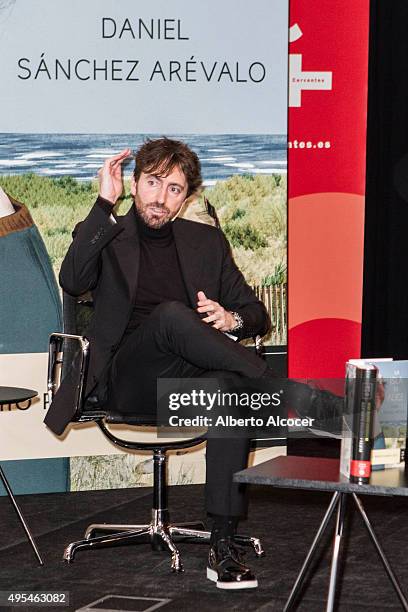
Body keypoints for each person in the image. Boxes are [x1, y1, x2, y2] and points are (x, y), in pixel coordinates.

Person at [45, 137, 274, 590]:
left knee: (229, 390)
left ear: (185, 196)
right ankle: (273, 383)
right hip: (125, 380)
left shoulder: (205, 241)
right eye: (152, 183)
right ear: (134, 184)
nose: (160, 197)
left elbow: (256, 312)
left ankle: (222, 546)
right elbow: (72, 280)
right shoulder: (107, 233)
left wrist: (231, 318)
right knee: (172, 315)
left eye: (173, 188)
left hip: (182, 380)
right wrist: (102, 203)